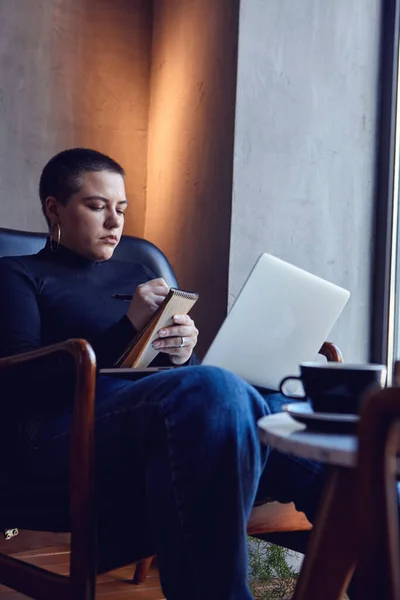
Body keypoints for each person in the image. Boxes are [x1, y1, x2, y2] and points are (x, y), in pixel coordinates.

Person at [0, 148, 325, 600]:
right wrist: (127, 326)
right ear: (55, 208)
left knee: (287, 408)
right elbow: (21, 385)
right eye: (97, 207)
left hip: (153, 419)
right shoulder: (17, 274)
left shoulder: (136, 271)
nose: (115, 222)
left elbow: (182, 385)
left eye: (121, 209)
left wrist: (180, 354)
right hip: (59, 430)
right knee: (215, 389)